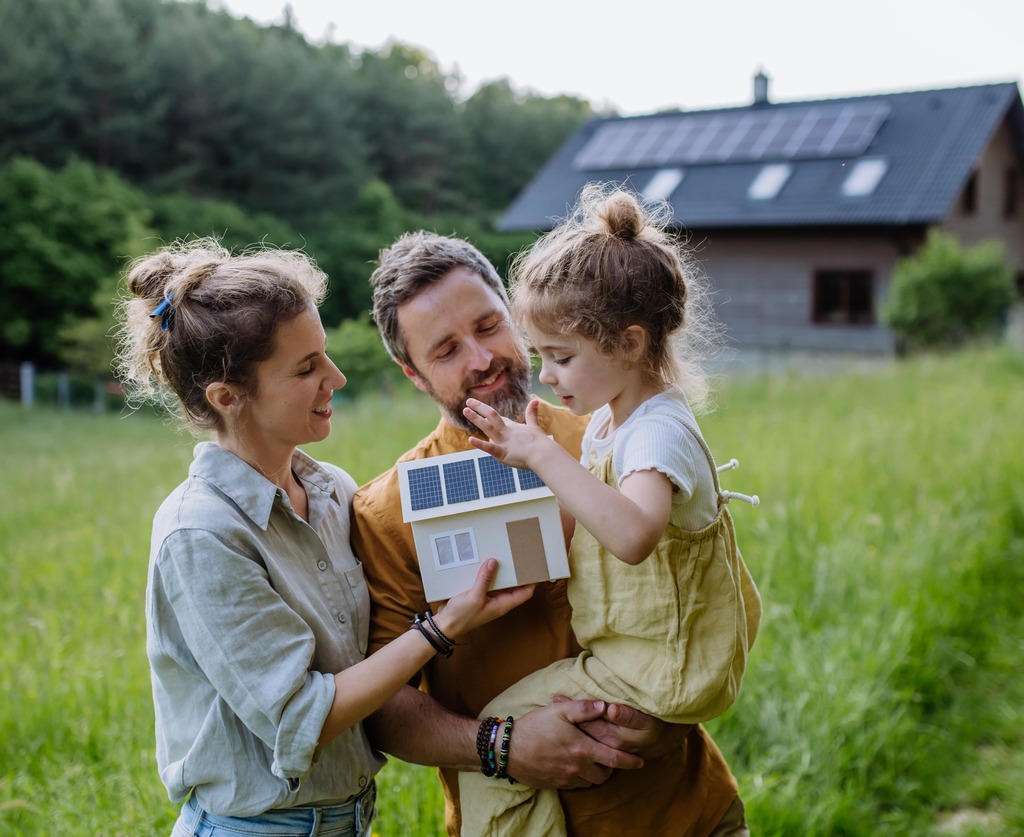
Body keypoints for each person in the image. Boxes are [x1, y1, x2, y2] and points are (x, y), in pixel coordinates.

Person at [114, 238, 532, 837]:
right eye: (306, 369)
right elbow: (300, 717)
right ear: (229, 399)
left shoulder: (333, 491)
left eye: (325, 355)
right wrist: (441, 629)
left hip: (348, 819)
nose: (334, 377)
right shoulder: (200, 534)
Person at [350, 228, 753, 836]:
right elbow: (383, 707)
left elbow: (699, 592)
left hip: (685, 811)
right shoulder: (386, 511)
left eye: (488, 327)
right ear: (414, 374)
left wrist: (665, 712)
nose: (481, 359)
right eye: (446, 350)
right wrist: (499, 746)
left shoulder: (613, 430)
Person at [456, 183, 762, 835]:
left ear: (627, 342)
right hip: (634, 657)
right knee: (507, 742)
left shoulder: (656, 433)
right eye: (541, 355)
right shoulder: (612, 421)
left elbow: (631, 536)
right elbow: (588, 529)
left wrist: (545, 456)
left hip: (660, 668)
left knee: (495, 745)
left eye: (561, 357)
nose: (548, 375)